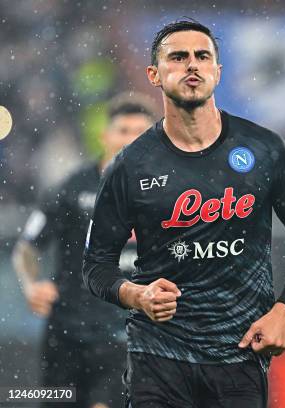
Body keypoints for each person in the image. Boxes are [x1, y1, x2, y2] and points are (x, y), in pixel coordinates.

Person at [82, 19, 285, 407]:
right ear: (154, 75)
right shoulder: (129, 167)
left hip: (239, 353)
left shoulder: (265, 149)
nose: (191, 65)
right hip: (158, 355)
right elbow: (96, 265)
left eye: (202, 56)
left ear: (218, 71)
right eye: (177, 57)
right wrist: (137, 295)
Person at [12, 93, 156, 408]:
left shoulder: (166, 198)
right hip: (65, 330)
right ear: (105, 135)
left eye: (140, 133)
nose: (130, 140)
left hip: (124, 334)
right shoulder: (72, 188)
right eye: (123, 131)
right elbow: (26, 248)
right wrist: (31, 284)